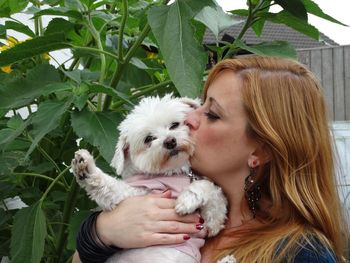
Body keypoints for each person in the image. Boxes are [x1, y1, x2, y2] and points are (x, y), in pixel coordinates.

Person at [73, 55, 348, 262]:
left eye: (212, 114)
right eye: (201, 102)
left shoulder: (299, 253)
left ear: (260, 151)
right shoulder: (162, 204)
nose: (190, 117)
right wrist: (99, 234)